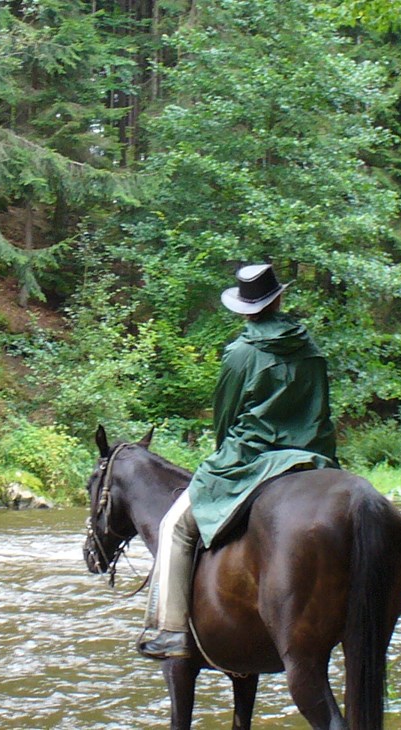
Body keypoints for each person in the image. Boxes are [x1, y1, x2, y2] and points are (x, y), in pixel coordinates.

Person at [136, 263, 337, 660]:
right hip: (312, 455)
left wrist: (227, 455)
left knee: (175, 526)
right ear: (279, 298)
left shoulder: (241, 353)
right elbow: (321, 409)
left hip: (251, 458)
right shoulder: (310, 348)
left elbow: (226, 418)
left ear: (243, 309)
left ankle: (172, 630)